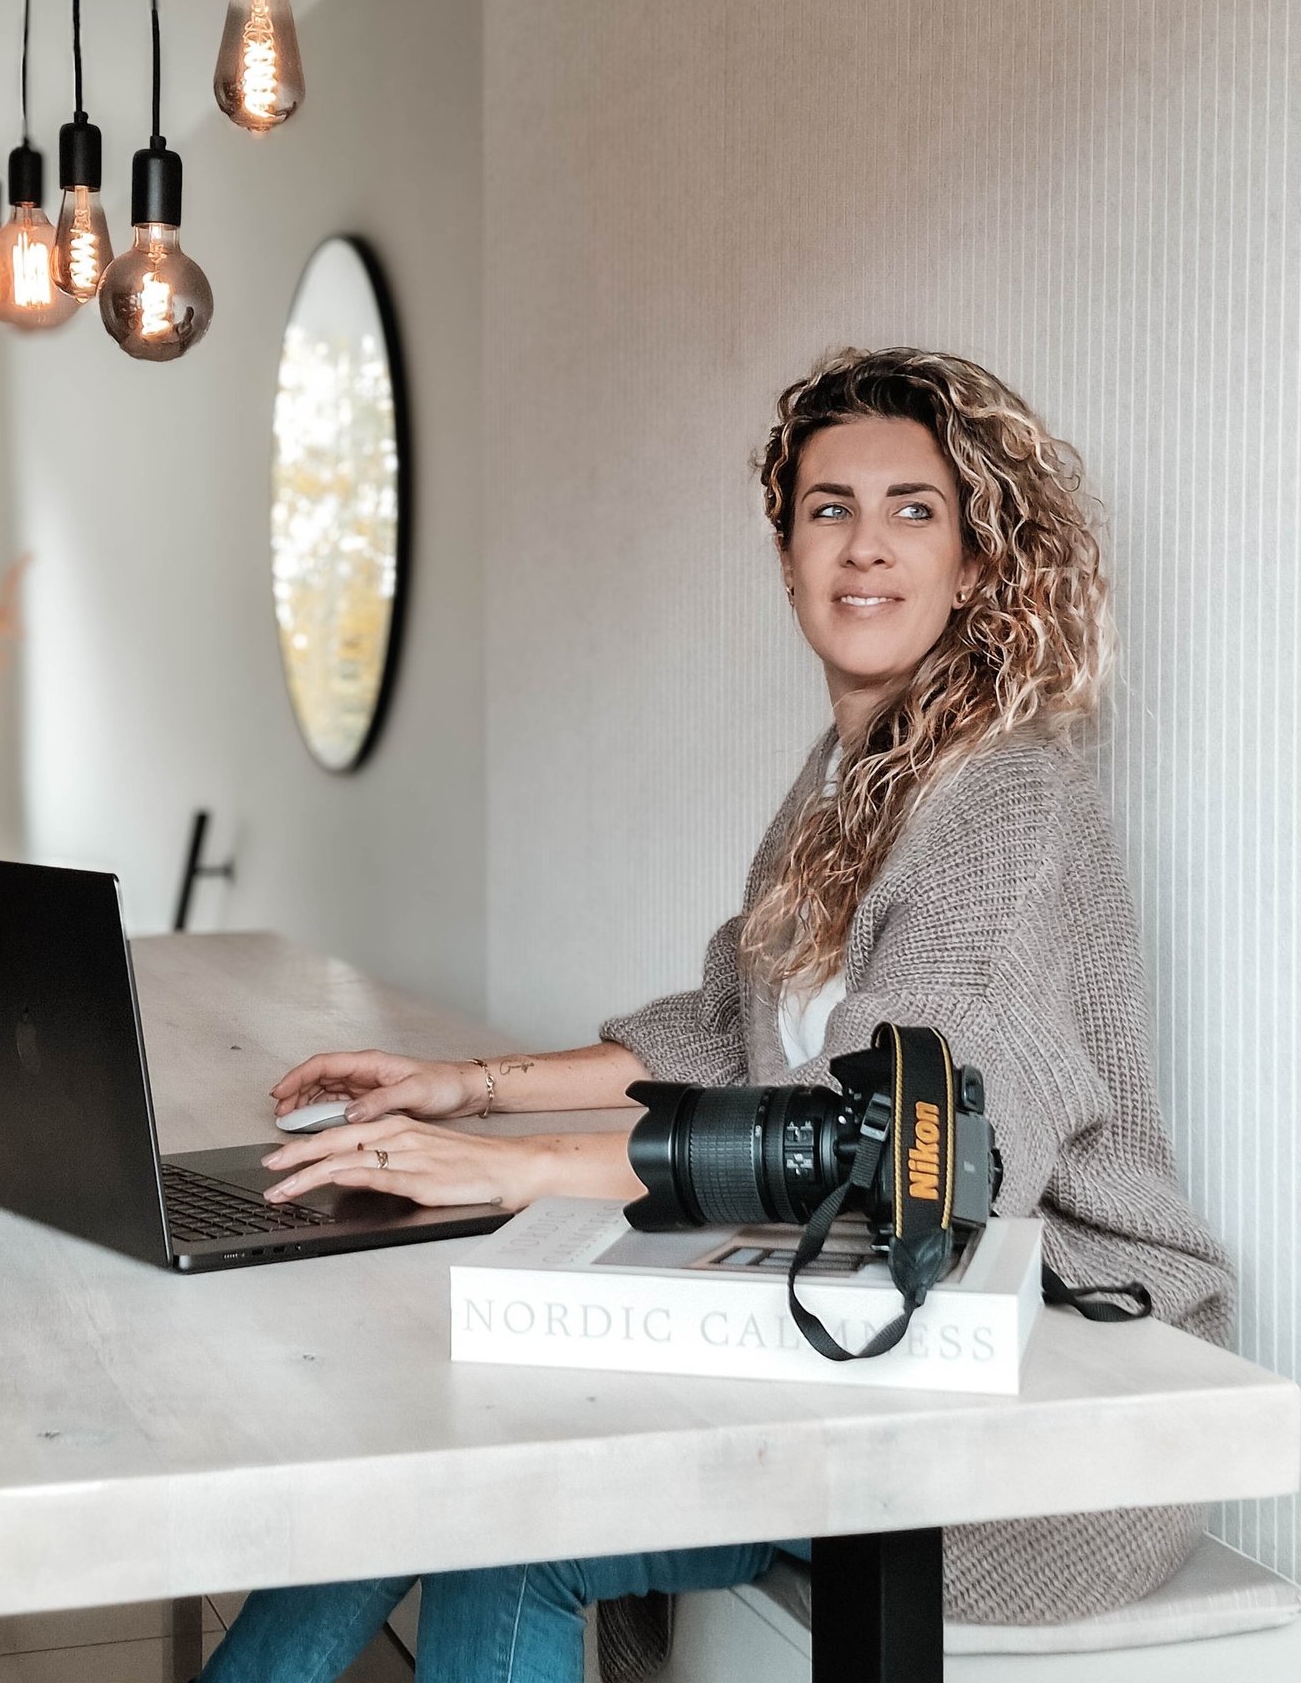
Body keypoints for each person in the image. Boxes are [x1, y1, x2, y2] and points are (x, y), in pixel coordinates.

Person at [200, 347, 1235, 1683]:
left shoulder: (1004, 799)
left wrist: (517, 1172)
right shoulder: (850, 779)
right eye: (829, 509)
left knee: (504, 1522)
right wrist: (468, 1087)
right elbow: (723, 1027)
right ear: (788, 552)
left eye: (914, 510)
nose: (865, 547)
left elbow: (895, 1148)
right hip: (870, 1316)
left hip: (1043, 1406)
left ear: (976, 562)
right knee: (431, 1447)